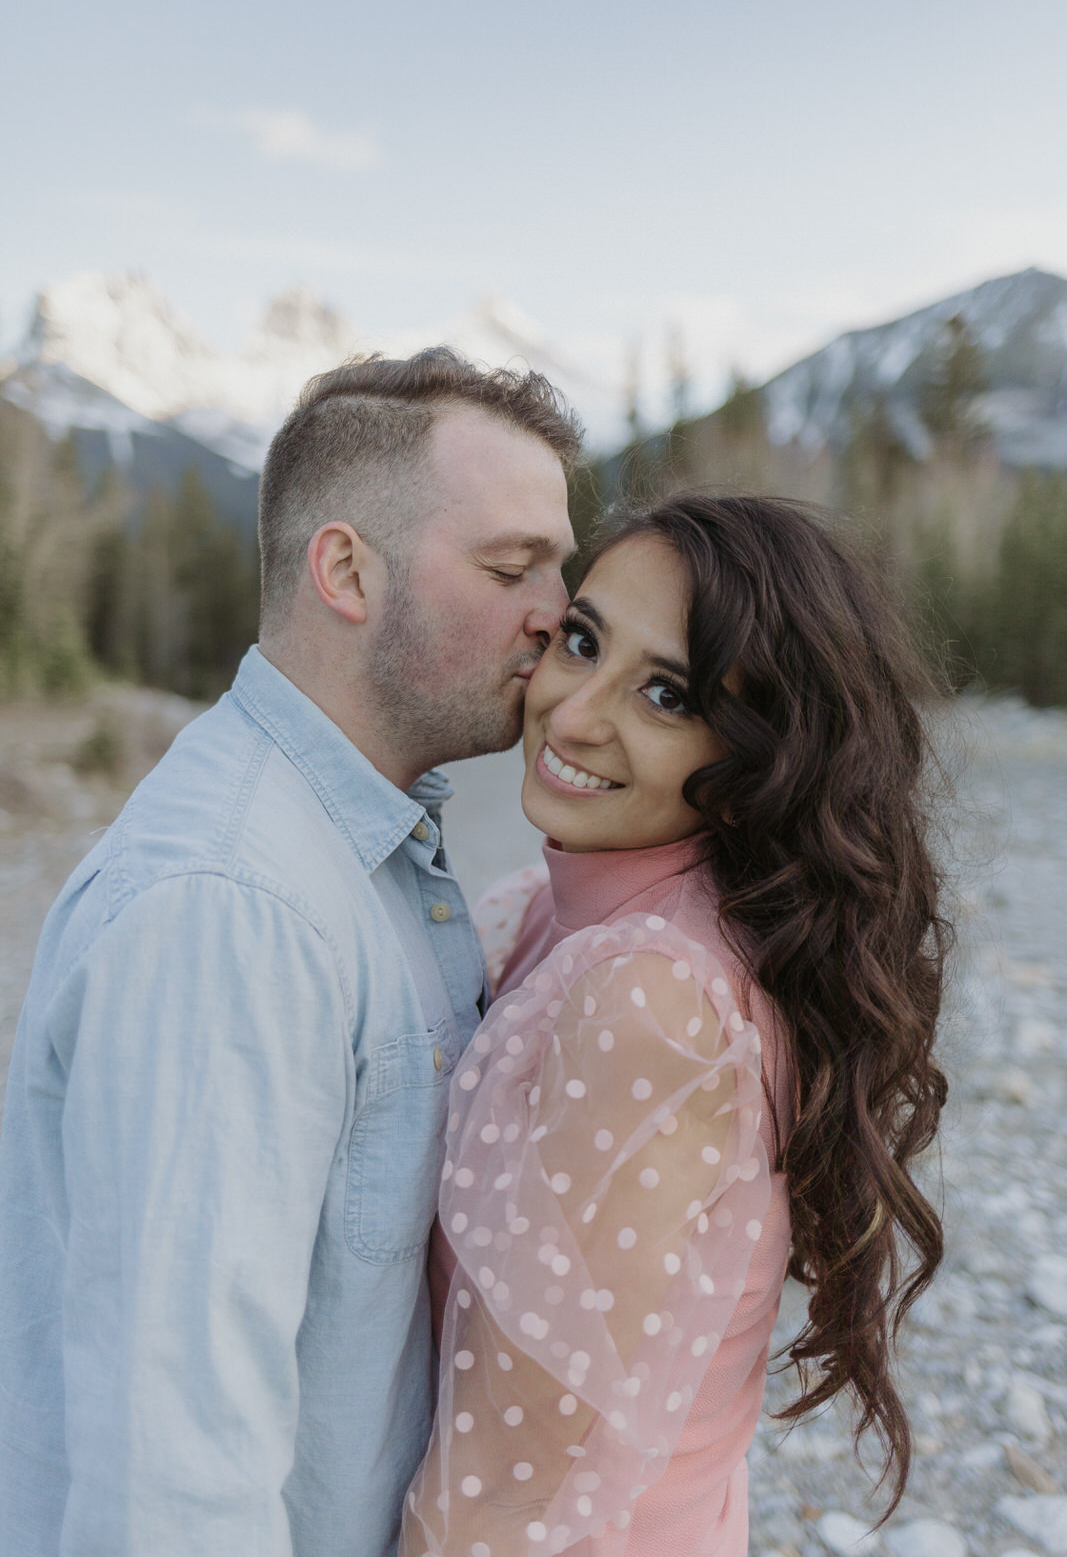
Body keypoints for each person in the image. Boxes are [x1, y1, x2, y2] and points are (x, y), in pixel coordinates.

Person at [0, 348, 580, 1557]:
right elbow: (172, 1482)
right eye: (510, 566)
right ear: (344, 570)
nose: (554, 611)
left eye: (559, 568)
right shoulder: (233, 908)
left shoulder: (356, 845)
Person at [401, 494, 948, 1557]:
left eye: (662, 694)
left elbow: (511, 1482)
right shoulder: (577, 911)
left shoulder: (645, 997)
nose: (571, 713)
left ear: (758, 765)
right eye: (581, 640)